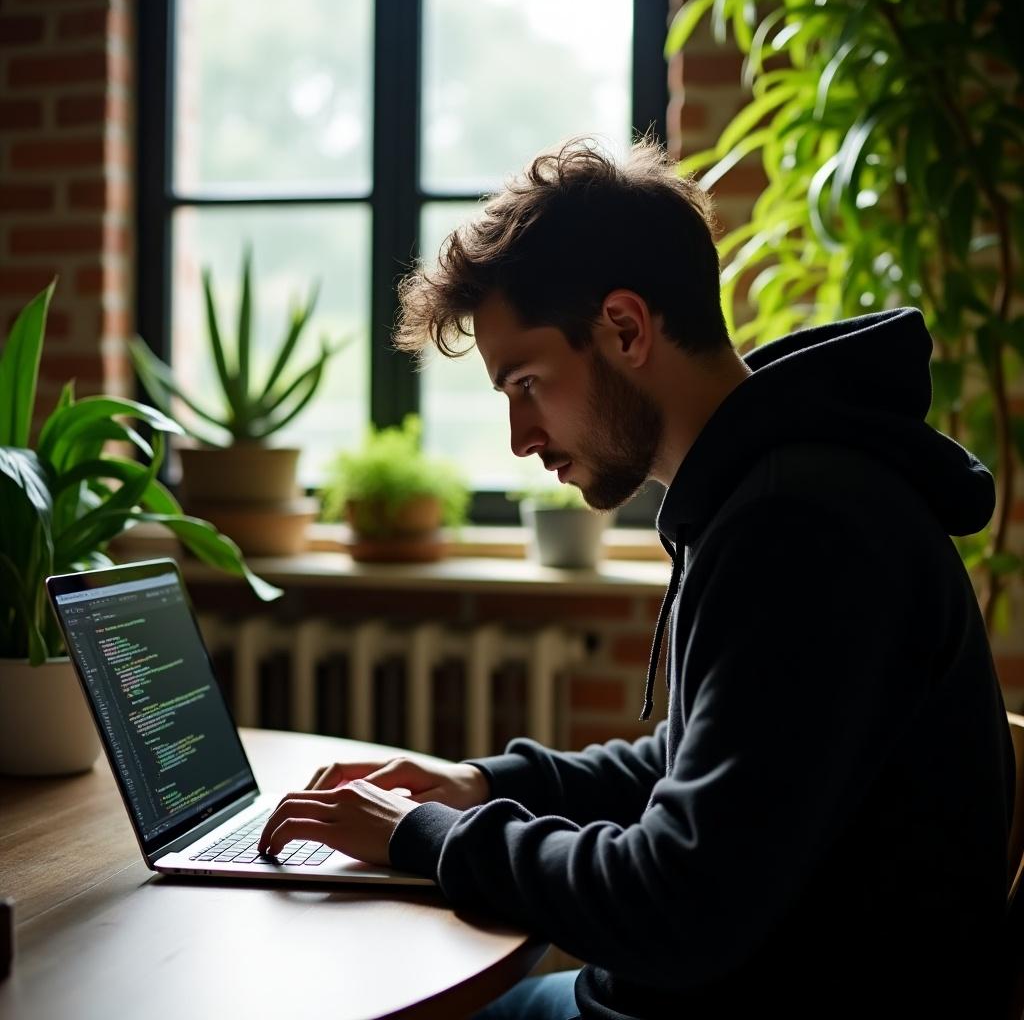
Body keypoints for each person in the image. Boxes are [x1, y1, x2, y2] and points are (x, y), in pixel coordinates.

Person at [258, 137, 1015, 1018]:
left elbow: (679, 902)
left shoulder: (802, 528)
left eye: (529, 383)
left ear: (625, 327)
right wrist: (490, 784)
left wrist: (431, 838)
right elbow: (698, 768)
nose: (519, 438)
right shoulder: (765, 491)